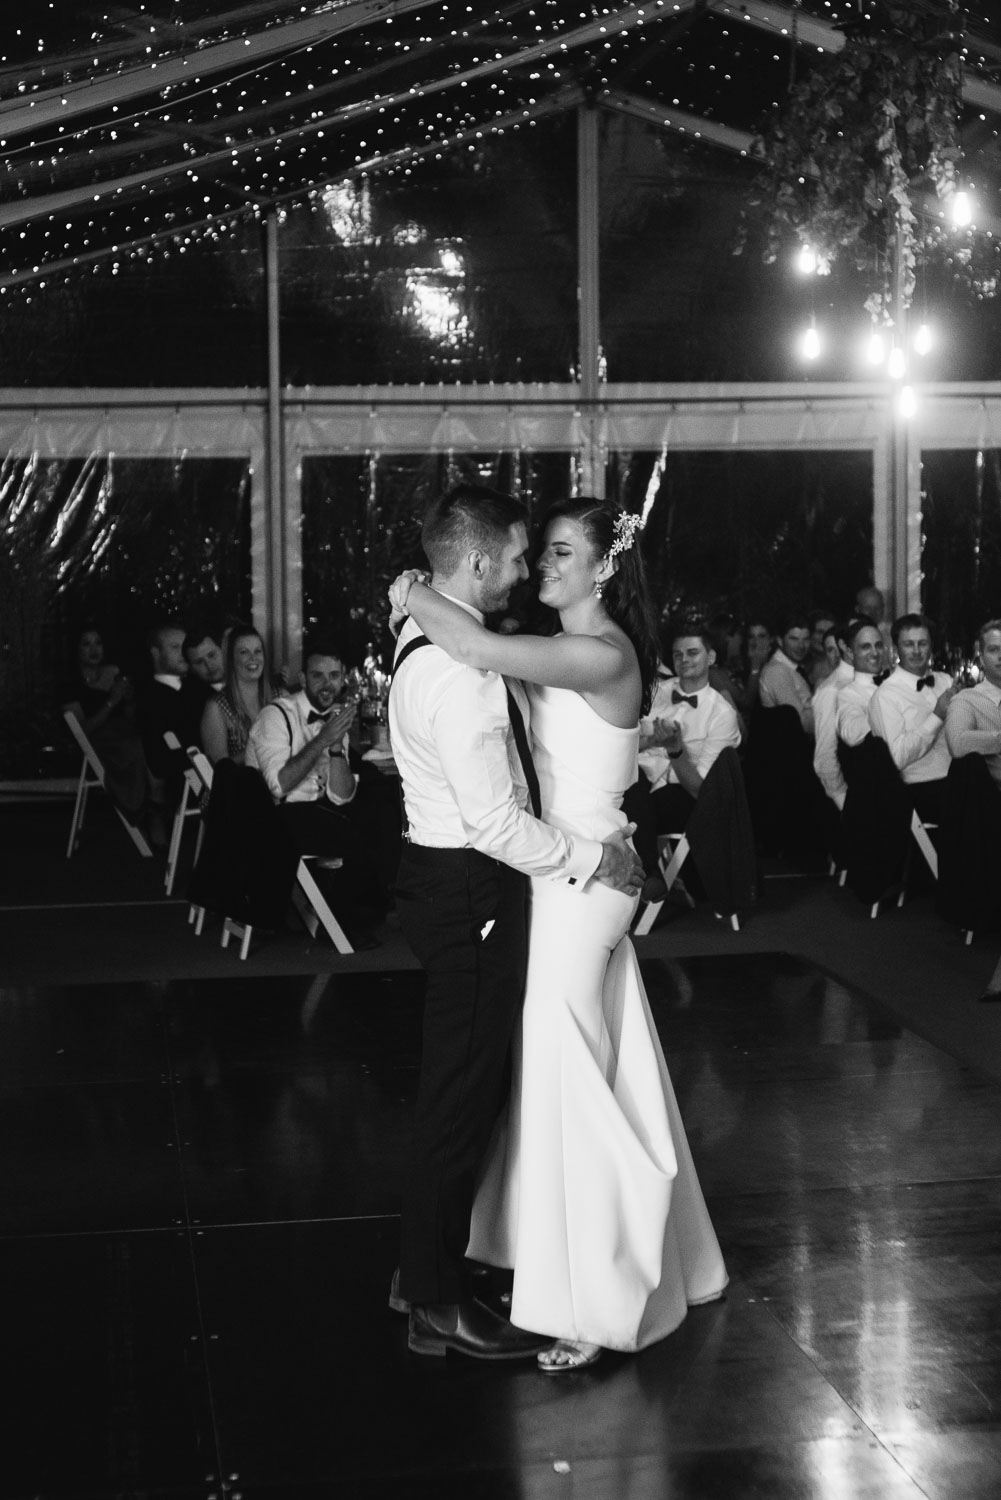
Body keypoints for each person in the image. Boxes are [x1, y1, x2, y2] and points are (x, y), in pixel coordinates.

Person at [390, 492, 728, 1373]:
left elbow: (471, 644)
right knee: (573, 1065)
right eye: (537, 553)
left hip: (585, 882)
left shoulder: (596, 650)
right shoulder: (562, 651)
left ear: (604, 568)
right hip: (561, 871)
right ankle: (557, 1259)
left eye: (561, 554)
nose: (540, 567)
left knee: (565, 1065)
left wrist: (411, 591)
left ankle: (598, 1296)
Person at [245, 638, 392, 946]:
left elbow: (341, 796)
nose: (327, 684)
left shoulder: (336, 716)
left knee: (381, 806)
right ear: (303, 679)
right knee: (363, 832)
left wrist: (337, 749)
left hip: (318, 808)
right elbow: (279, 784)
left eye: (334, 676)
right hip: (274, 817)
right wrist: (324, 738)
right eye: (318, 676)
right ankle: (341, 922)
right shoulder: (276, 715)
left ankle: (357, 912)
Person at [623, 623, 741, 895]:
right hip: (636, 780)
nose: (684, 659)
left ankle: (645, 874)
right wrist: (653, 741)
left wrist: (676, 750)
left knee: (631, 793)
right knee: (625, 783)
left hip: (682, 795)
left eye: (692, 652)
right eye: (678, 654)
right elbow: (622, 743)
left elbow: (703, 790)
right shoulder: (653, 692)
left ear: (710, 658)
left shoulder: (722, 715)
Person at [868, 613, 955, 823]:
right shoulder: (885, 696)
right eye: (909, 644)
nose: (916, 651)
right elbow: (895, 759)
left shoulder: (945, 681)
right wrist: (936, 716)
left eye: (922, 643)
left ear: (931, 646)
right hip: (921, 792)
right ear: (897, 648)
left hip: (958, 779)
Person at [61, 626, 147, 821]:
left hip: (125, 732)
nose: (94, 649)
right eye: (86, 644)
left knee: (149, 739)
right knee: (134, 747)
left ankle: (155, 805)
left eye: (98, 643)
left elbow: (130, 717)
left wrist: (129, 699)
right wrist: (111, 702)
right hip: (100, 741)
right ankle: (139, 806)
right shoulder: (70, 684)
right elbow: (82, 730)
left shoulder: (114, 673)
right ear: (76, 649)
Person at [201, 623, 274, 765]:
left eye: (258, 651)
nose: (253, 658)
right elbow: (220, 772)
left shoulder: (281, 696)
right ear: (231, 659)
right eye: (244, 652)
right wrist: (259, 746)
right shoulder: (216, 708)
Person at [945, 619, 1001, 789]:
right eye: (993, 649)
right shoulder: (966, 700)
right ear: (982, 659)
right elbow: (957, 743)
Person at [811, 621, 856, 810]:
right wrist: (844, 804)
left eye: (841, 648)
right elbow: (824, 756)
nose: (838, 655)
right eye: (830, 650)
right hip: (851, 795)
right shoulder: (830, 690)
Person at [836, 618, 888, 749]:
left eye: (879, 645)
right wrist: (892, 708)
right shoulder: (847, 694)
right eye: (866, 647)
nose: (875, 653)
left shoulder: (898, 681)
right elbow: (851, 734)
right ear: (849, 652)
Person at [758, 614, 814, 734]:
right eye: (793, 639)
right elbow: (800, 722)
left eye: (806, 639)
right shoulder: (777, 671)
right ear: (780, 641)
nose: (801, 646)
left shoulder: (793, 667)